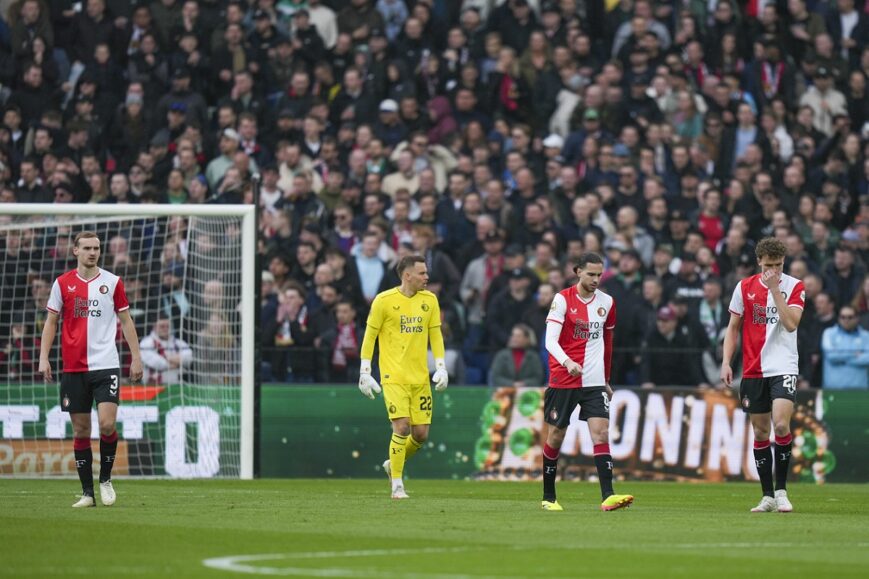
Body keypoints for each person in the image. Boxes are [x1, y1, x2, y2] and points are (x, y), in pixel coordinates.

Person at [38, 231, 144, 508]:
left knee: (107, 424)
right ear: (75, 251)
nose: (92, 252)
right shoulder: (62, 284)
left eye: (96, 248)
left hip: (106, 364)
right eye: (86, 248)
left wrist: (136, 357)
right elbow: (50, 322)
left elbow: (126, 320)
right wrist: (43, 357)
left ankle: (105, 479)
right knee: (81, 430)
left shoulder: (113, 282)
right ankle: (87, 493)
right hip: (74, 368)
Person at [541, 252, 633, 512]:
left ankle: (608, 496)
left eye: (599, 275)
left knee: (601, 432)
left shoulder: (608, 302)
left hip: (593, 381)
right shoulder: (562, 300)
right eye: (590, 274)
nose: (595, 279)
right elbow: (550, 341)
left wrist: (606, 379)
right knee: (556, 435)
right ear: (577, 271)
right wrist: (568, 362)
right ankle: (548, 497)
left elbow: (608, 343)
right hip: (564, 378)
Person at [721, 238, 805, 513]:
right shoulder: (744, 287)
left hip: (784, 366)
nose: (773, 271)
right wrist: (726, 361)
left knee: (781, 426)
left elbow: (791, 324)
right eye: (769, 265)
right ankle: (767, 495)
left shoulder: (794, 286)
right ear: (759, 261)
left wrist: (775, 290)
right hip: (754, 369)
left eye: (778, 266)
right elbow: (733, 327)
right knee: (760, 431)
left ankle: (781, 492)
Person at [358, 255, 448, 499]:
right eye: (422, 273)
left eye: (426, 272)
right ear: (407, 275)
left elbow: (435, 336)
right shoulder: (384, 301)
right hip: (393, 375)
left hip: (420, 378)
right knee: (402, 426)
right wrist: (365, 371)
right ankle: (397, 484)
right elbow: (370, 336)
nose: (426, 277)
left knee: (421, 435)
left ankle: (392, 463)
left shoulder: (430, 300)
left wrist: (441, 366)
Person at [820, 305, 869, 389]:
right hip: (832, 391)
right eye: (843, 317)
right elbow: (831, 356)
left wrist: (841, 357)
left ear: (857, 318)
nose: (846, 320)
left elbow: (867, 359)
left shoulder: (866, 336)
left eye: (850, 317)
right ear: (838, 318)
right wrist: (855, 354)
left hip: (860, 392)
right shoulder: (829, 333)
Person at [139, 316, 193, 385]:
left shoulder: (177, 342)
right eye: (162, 326)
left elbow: (189, 357)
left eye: (168, 326)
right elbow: (155, 363)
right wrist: (177, 363)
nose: (165, 329)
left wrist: (167, 357)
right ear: (154, 327)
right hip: (152, 386)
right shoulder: (146, 342)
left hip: (175, 385)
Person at [489, 323, 545, 387]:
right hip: (504, 393)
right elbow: (496, 377)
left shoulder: (534, 357)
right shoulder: (501, 355)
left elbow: (538, 378)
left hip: (527, 392)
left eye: (518, 336)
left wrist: (524, 384)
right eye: (513, 335)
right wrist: (512, 384)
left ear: (527, 339)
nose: (514, 339)